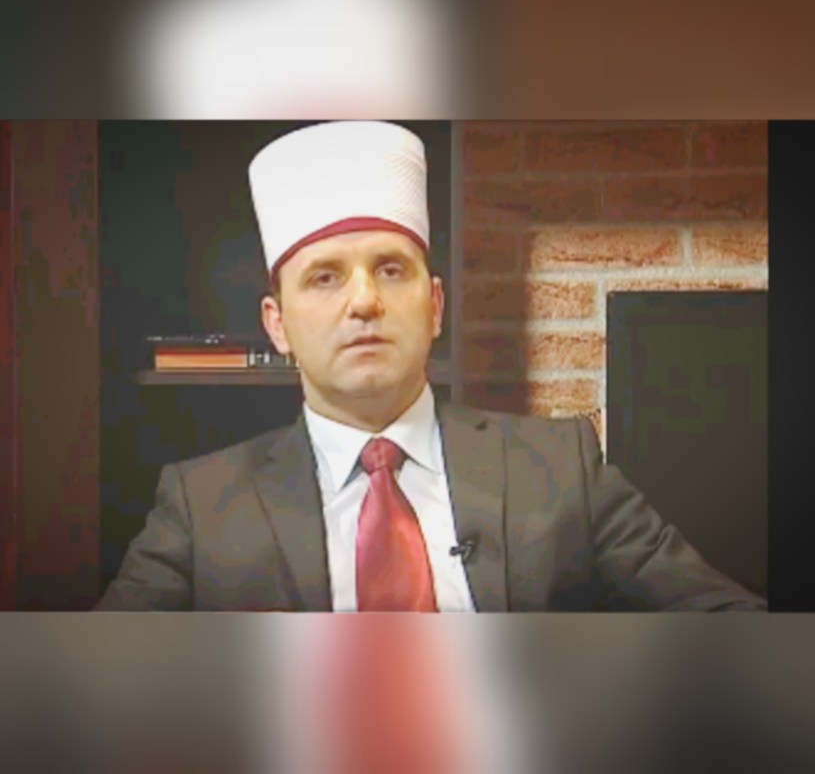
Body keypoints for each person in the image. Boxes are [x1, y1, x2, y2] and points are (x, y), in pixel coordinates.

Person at [95, 121, 766, 612]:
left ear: (435, 305)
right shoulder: (200, 505)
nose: (364, 300)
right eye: (325, 278)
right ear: (278, 325)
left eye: (391, 269)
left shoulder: (561, 466)